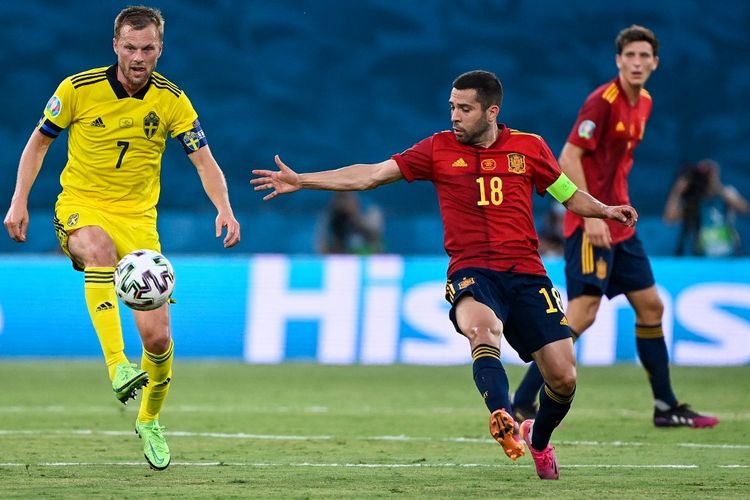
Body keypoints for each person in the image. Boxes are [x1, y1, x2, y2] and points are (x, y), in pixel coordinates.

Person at [252, 70, 638, 480]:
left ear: (492, 112)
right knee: (482, 331)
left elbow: (567, 194)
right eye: (452, 106)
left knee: (563, 377)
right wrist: (303, 180)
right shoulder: (437, 149)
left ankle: (538, 438)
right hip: (471, 270)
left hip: (527, 273)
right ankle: (502, 415)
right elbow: (371, 175)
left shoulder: (529, 148)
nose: (455, 115)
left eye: (465, 108)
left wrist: (606, 210)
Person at [3, 6, 241, 470]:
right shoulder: (77, 89)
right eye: (130, 47)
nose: (138, 56)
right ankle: (117, 366)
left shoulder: (172, 101)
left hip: (139, 221)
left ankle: (149, 420)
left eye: (147, 48)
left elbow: (204, 161)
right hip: (81, 204)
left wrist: (225, 207)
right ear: (115, 45)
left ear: (160, 49)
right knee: (98, 249)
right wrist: (18, 200)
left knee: (156, 339)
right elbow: (39, 143)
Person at [511, 25, 719, 429]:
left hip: (622, 226)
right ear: (618, 61)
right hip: (593, 223)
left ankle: (665, 406)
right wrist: (592, 216)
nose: (637, 63)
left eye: (645, 56)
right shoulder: (601, 103)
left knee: (651, 307)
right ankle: (522, 401)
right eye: (630, 56)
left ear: (655, 62)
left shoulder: (644, 104)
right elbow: (568, 157)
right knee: (582, 314)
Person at [663, 159, 748, 256]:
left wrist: (717, 187)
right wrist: (677, 191)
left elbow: (744, 208)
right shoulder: (693, 201)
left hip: (728, 256)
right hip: (703, 258)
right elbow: (669, 219)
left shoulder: (727, 193)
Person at [317, 192, 384, 254]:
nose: (342, 203)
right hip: (344, 258)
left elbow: (375, 237)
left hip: (369, 256)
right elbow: (322, 247)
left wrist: (354, 215)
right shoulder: (331, 214)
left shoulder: (370, 209)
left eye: (345, 198)